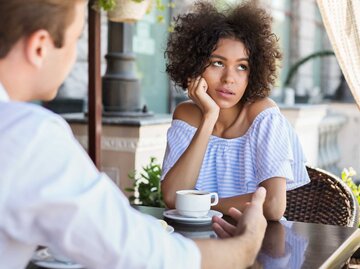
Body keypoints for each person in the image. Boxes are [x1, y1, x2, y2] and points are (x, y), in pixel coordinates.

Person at [0, 1, 267, 268]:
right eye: (76, 38)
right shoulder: (27, 135)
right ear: (39, 47)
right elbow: (140, 254)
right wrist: (246, 245)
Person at [161, 1, 310, 220]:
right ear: (194, 66)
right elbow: (173, 197)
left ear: (253, 72)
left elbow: (273, 205)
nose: (229, 78)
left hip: (257, 242)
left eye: (242, 66)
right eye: (217, 63)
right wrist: (209, 117)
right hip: (199, 242)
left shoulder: (263, 116)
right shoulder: (186, 115)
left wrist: (206, 203)